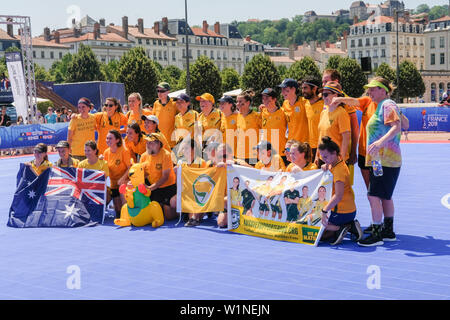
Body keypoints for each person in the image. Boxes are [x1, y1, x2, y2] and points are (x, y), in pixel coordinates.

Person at [357, 78, 402, 247]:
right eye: (369, 89)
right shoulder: (382, 106)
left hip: (385, 160)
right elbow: (404, 123)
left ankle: (377, 234)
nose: (370, 92)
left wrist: (380, 142)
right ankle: (388, 232)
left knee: (373, 195)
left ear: (383, 90)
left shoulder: (387, 104)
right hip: (379, 160)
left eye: (373, 89)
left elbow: (397, 126)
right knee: (384, 196)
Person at [318, 136, 363, 245]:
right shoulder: (338, 162)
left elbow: (338, 196)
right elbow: (331, 166)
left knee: (314, 224)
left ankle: (342, 227)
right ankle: (347, 225)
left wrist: (324, 211)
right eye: (322, 157)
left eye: (325, 157)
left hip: (341, 212)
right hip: (348, 210)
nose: (323, 159)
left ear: (334, 153)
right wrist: (326, 164)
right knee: (323, 236)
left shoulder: (339, 171)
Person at [322, 69, 359, 166]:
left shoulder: (346, 102)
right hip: (326, 154)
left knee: (343, 180)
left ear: (336, 81)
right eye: (322, 82)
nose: (323, 84)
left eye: (326, 81)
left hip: (341, 154)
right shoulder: (326, 102)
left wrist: (353, 152)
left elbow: (354, 129)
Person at [140, 133, 177, 221]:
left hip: (167, 187)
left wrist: (150, 188)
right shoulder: (143, 156)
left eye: (151, 143)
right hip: (153, 188)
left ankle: (183, 211)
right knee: (154, 212)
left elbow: (165, 177)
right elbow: (141, 174)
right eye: (147, 143)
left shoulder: (166, 155)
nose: (148, 145)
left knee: (168, 216)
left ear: (159, 144)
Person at [315, 82, 351, 167]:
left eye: (326, 94)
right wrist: (317, 155)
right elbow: (320, 136)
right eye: (322, 94)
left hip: (335, 160)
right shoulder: (323, 112)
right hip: (323, 158)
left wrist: (339, 161)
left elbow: (346, 138)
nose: (323, 97)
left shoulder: (341, 113)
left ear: (336, 95)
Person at [103, 130, 131, 218]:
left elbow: (129, 168)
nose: (108, 140)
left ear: (117, 140)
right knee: (118, 211)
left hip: (125, 182)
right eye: (107, 138)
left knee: (124, 207)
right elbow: (105, 169)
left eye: (110, 138)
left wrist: (122, 179)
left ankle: (128, 217)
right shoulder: (106, 152)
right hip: (114, 184)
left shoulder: (124, 151)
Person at [279, 79, 309, 156]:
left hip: (303, 145)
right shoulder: (285, 104)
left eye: (285, 90)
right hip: (291, 145)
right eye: (282, 90)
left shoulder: (304, 102)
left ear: (293, 89)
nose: (282, 93)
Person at [260, 88, 288, 164]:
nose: (265, 100)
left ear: (274, 99)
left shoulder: (283, 112)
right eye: (263, 98)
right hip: (267, 153)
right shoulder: (263, 111)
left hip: (281, 152)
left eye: (267, 98)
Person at [301, 77, 324, 160]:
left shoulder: (324, 104)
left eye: (305, 88)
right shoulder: (305, 103)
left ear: (314, 88)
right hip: (310, 147)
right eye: (302, 88)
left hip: (323, 146)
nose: (303, 91)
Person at [235, 89, 261, 165]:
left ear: (248, 103)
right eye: (237, 101)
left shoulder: (256, 116)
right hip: (239, 155)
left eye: (240, 102)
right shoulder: (237, 116)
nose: (237, 104)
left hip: (252, 156)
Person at [152, 82, 178, 148]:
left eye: (162, 91)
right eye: (158, 91)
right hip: (158, 141)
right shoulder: (156, 103)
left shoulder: (174, 104)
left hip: (171, 143)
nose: (159, 93)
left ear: (168, 92)